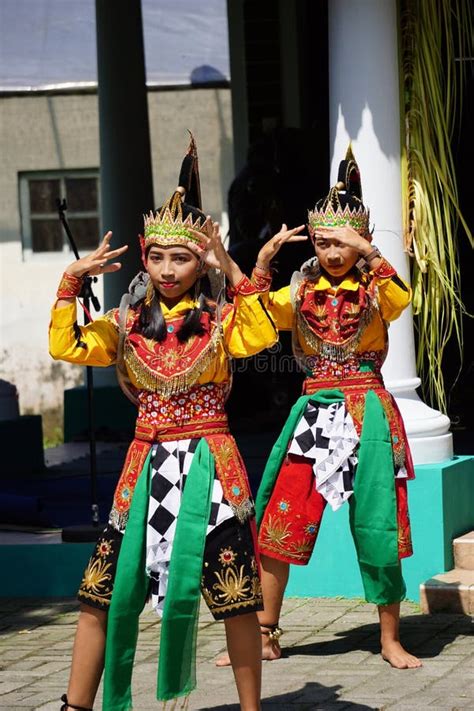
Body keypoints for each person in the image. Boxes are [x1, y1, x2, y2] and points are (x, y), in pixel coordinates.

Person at [49, 138, 304, 711]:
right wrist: (71, 280)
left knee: (235, 600)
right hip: (143, 473)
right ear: (144, 253)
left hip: (210, 473)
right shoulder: (124, 323)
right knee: (99, 594)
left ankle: (250, 708)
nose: (168, 269)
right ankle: (76, 706)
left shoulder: (221, 321)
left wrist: (233, 266)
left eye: (182, 257)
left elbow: (261, 332)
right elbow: (67, 343)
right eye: (158, 256)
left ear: (200, 261)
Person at [221, 146, 422, 671]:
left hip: (369, 411)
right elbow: (256, 323)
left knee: (379, 524)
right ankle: (265, 633)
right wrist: (261, 264)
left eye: (343, 243)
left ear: (360, 243)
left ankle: (389, 638)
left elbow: (403, 302)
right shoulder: (300, 289)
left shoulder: (378, 290)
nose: (333, 252)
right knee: (279, 520)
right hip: (314, 413)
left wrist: (369, 251)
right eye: (324, 241)